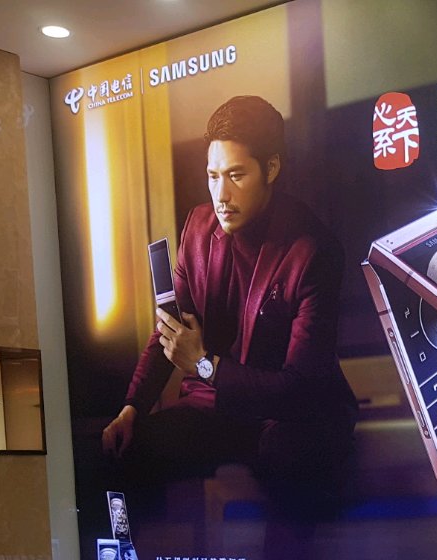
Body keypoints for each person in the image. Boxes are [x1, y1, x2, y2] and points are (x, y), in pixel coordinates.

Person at [101, 95, 356, 502]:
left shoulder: (313, 251)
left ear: (271, 168)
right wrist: (131, 408)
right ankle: (129, 547)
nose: (221, 194)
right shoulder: (198, 228)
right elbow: (169, 332)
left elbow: (299, 388)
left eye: (236, 175)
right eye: (213, 176)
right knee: (122, 449)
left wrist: (204, 365)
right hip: (215, 408)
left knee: (288, 459)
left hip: (289, 417)